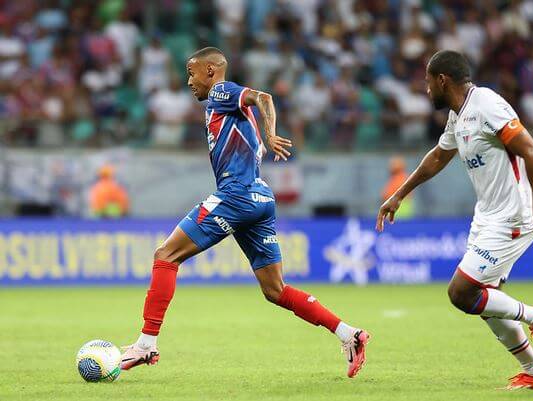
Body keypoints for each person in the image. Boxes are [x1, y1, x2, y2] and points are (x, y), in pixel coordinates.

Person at [120, 47, 370, 378]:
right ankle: (349, 334)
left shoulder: (222, 92)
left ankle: (146, 343)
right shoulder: (229, 110)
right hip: (260, 199)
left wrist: (270, 133)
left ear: (211, 71)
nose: (189, 81)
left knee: (166, 255)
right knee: (275, 291)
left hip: (235, 196)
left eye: (192, 73)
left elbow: (264, 97)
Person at [377, 50, 533, 390]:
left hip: (513, 216)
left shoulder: (486, 105)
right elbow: (437, 157)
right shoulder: (458, 115)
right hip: (487, 216)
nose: (426, 88)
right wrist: (399, 194)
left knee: (462, 292)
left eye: (428, 81)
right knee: (487, 301)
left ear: (442, 80)